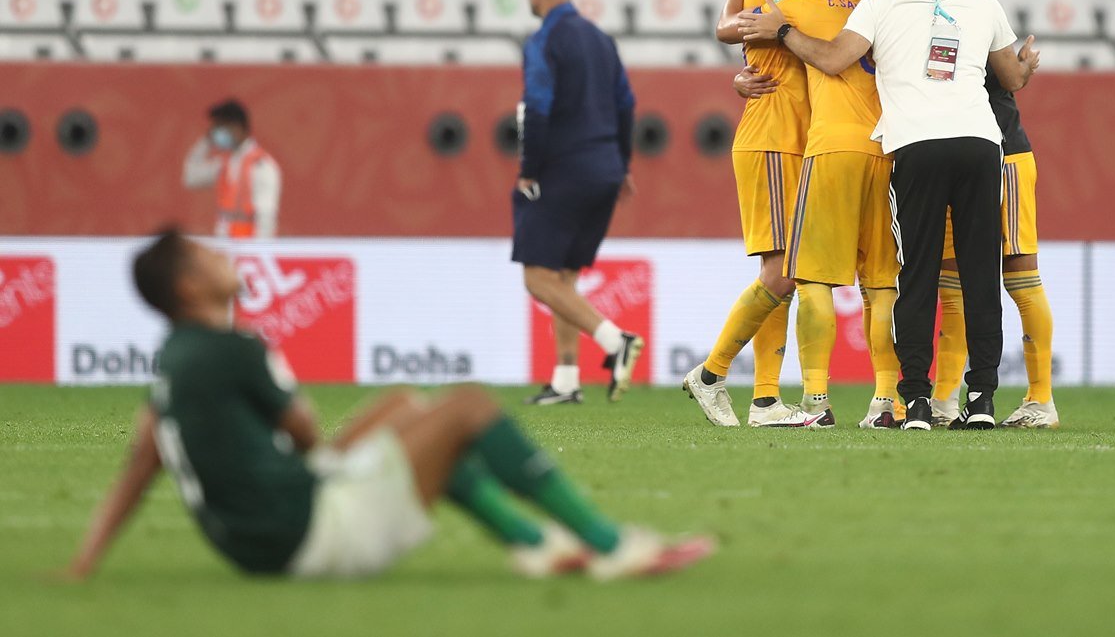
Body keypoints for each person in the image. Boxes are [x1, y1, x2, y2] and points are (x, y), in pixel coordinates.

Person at [62, 231, 712, 581]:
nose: (224, 255)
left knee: (404, 405)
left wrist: (85, 562)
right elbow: (305, 429)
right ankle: (611, 548)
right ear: (187, 284)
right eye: (207, 255)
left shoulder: (172, 362)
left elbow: (139, 464)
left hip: (258, 542)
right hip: (304, 533)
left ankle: (536, 542)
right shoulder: (233, 348)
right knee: (465, 410)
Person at [738, 0, 1040, 431]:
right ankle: (982, 400)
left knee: (916, 275)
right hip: (979, 143)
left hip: (916, 146)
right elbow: (1011, 78)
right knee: (980, 275)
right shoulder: (984, 3)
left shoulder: (884, 1)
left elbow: (834, 60)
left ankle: (917, 403)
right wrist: (1028, 65)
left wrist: (783, 31)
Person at [683, 0, 866, 428]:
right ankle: (712, 375)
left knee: (784, 269)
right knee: (784, 270)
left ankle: (765, 401)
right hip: (774, 135)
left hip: (796, 138)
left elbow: (726, 29)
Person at [733, 0, 917, 429]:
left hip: (830, 148)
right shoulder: (894, 12)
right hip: (888, 153)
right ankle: (886, 402)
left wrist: (743, 72)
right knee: (881, 285)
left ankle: (816, 400)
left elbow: (732, 27)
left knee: (813, 279)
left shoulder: (796, 5)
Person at [514, 0, 642, 406]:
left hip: (564, 167)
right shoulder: (601, 39)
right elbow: (627, 104)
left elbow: (538, 106)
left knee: (537, 277)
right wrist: (623, 164)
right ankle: (566, 380)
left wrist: (529, 168)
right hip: (605, 168)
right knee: (563, 277)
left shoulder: (545, 38)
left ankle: (616, 342)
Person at [932, 67, 1058, 428]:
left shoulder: (979, 12)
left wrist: (1019, 67)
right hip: (952, 158)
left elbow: (1011, 74)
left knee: (1020, 276)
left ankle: (1040, 400)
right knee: (952, 283)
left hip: (1005, 156)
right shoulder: (930, 16)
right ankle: (943, 402)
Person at [182, 99, 281, 239]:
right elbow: (190, 178)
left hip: (249, 252)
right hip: (227, 251)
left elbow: (266, 220)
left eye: (219, 127)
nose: (215, 133)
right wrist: (207, 141)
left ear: (237, 127)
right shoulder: (224, 165)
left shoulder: (261, 166)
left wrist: (258, 254)